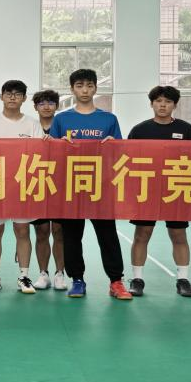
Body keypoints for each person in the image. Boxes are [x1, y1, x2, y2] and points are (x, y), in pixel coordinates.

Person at [49, 69, 132, 301]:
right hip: (71, 187)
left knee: (108, 236)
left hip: (101, 188)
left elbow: (119, 155)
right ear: (72, 89)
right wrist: (59, 145)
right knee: (71, 237)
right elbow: (51, 156)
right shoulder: (61, 119)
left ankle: (116, 281)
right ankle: (77, 279)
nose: (84, 90)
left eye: (89, 85)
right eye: (79, 85)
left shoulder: (109, 119)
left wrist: (114, 145)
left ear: (95, 88)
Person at [125, 85, 191, 298]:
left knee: (178, 234)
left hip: (176, 189)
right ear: (151, 104)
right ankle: (137, 279)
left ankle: (183, 279)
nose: (163, 105)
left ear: (175, 105)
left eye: (167, 101)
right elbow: (127, 160)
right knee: (142, 234)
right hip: (147, 190)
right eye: (158, 101)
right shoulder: (139, 130)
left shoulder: (186, 129)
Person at [0, 80, 42, 294]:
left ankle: (24, 276)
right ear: (1, 96)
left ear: (24, 98)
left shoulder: (33, 124)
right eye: (8, 93)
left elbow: (40, 153)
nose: (13, 97)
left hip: (23, 185)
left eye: (17, 94)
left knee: (22, 230)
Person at [30, 89, 66, 290]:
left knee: (59, 232)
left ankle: (60, 273)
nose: (46, 107)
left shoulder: (65, 126)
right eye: (41, 103)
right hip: (37, 185)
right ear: (35, 107)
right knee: (41, 232)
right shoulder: (30, 127)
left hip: (61, 186)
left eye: (50, 103)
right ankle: (43, 273)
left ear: (56, 106)